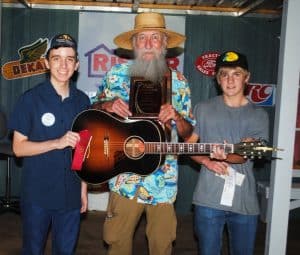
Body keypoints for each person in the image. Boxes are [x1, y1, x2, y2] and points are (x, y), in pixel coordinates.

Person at [92, 12, 195, 255]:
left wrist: (178, 118)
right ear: (134, 44)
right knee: (116, 241)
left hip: (164, 181)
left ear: (165, 44)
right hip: (123, 176)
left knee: (162, 245)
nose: (148, 44)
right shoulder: (115, 75)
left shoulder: (179, 82)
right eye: (142, 38)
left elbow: (189, 132)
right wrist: (105, 106)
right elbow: (91, 113)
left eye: (155, 37)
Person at [8, 33, 90, 255]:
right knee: (33, 250)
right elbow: (18, 148)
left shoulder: (83, 101)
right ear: (46, 62)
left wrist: (83, 189)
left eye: (69, 59)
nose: (63, 65)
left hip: (71, 195)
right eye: (56, 58)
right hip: (38, 196)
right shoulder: (30, 99)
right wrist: (57, 142)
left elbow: (82, 148)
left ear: (77, 64)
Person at [186, 51, 269, 255]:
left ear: (247, 78)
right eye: (224, 74)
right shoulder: (202, 108)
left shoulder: (259, 115)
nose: (230, 80)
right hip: (208, 200)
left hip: (244, 202)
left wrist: (225, 156)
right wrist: (208, 161)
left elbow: (244, 155)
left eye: (237, 74)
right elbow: (189, 147)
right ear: (217, 79)